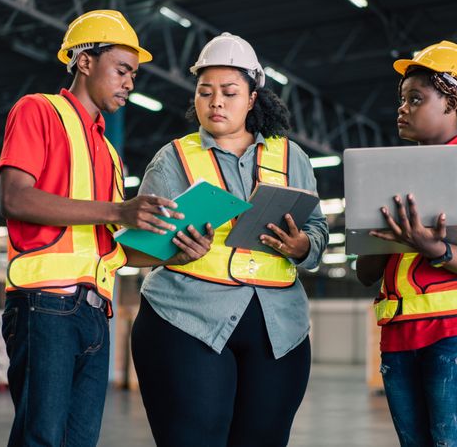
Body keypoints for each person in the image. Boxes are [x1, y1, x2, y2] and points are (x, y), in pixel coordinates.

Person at [0, 10, 212, 447]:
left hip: (96, 313)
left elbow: (111, 248)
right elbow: (15, 198)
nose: (130, 82)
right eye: (122, 70)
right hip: (46, 305)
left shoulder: (110, 153)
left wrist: (175, 251)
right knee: (42, 438)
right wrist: (119, 211)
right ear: (84, 61)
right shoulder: (39, 110)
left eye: (134, 74)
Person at [130, 32, 329, 447]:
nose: (216, 101)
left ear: (253, 97)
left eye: (229, 92)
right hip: (186, 320)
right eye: (205, 92)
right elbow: (134, 248)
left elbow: (318, 232)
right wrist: (176, 252)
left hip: (278, 327)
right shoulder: (173, 159)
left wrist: (302, 247)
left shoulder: (293, 158)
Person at [356, 40, 457, 447]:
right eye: (401, 99)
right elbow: (365, 273)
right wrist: (379, 235)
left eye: (416, 99)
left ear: (454, 105)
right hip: (399, 334)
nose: (402, 108)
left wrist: (434, 248)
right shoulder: (387, 174)